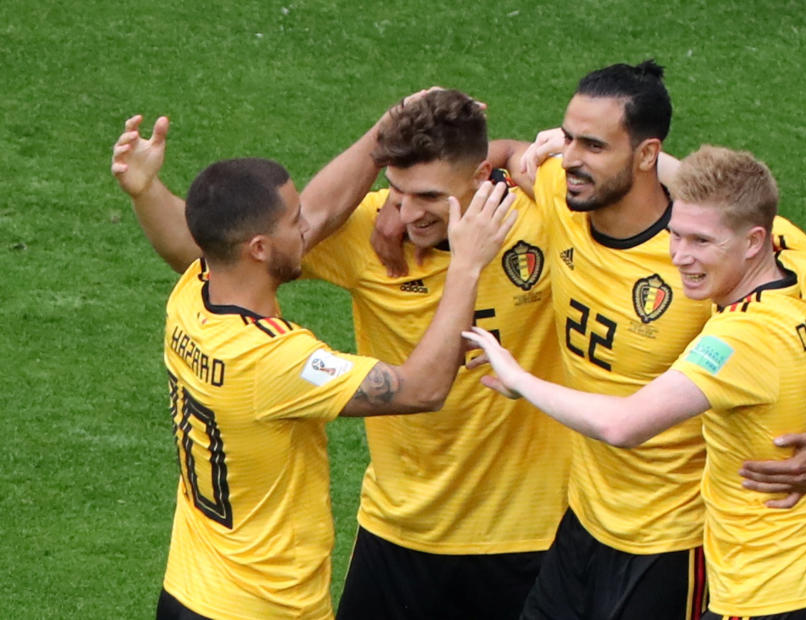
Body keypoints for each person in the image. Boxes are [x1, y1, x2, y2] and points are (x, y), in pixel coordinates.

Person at [111, 89, 571, 619]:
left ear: (479, 176)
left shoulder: (195, 297)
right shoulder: (285, 344)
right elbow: (420, 388)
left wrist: (521, 153)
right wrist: (464, 258)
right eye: (397, 191)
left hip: (526, 530)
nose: (408, 210)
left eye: (427, 196)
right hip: (397, 532)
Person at [484, 61, 806, 619]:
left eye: (594, 145)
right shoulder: (564, 190)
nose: (570, 158)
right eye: (568, 138)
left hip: (675, 543)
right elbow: (505, 154)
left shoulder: (737, 281)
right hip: (585, 519)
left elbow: (625, 423)